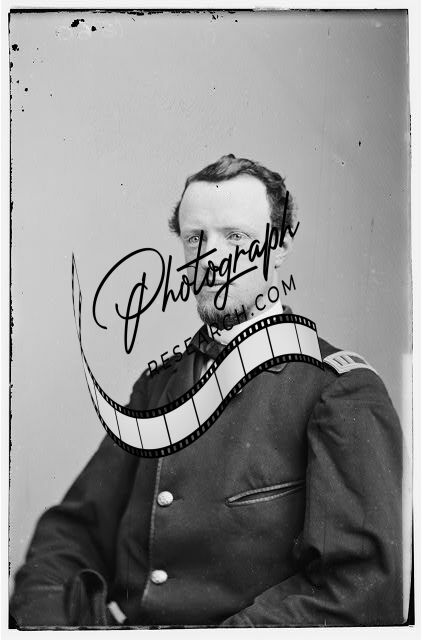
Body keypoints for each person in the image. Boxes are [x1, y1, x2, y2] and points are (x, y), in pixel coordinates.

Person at [10, 155, 404, 628]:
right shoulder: (159, 386)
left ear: (280, 246)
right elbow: (70, 532)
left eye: (235, 237)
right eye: (195, 238)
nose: (211, 259)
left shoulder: (340, 393)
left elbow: (357, 595)